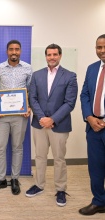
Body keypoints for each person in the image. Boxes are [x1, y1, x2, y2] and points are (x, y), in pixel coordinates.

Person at [25, 44, 78, 207]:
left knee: (59, 159)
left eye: (55, 54)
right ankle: (39, 185)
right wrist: (42, 117)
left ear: (60, 56)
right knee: (40, 157)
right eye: (49, 55)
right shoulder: (37, 75)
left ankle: (61, 189)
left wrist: (52, 119)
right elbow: (32, 98)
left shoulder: (70, 76)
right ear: (45, 56)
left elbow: (69, 103)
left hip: (59, 125)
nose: (52, 57)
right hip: (39, 124)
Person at [0, 40, 32, 195]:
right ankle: (1, 179)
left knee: (17, 148)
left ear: (20, 51)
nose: (14, 52)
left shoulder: (28, 68)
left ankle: (14, 179)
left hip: (20, 116)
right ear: (7, 51)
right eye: (11, 49)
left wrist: (29, 108)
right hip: (1, 116)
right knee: (0, 147)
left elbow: (30, 91)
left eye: (17, 49)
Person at [79, 34, 105, 216]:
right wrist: (89, 117)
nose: (102, 51)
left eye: (104, 47)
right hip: (93, 127)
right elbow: (85, 95)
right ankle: (99, 201)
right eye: (98, 47)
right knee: (95, 168)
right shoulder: (92, 68)